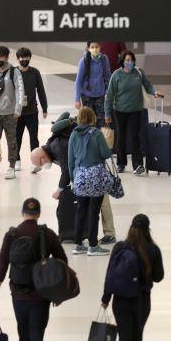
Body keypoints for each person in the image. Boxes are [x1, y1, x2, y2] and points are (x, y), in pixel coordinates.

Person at [0, 198, 67, 341]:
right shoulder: (47, 234)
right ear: (39, 214)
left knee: (24, 335)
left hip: (18, 293)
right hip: (41, 295)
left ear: (22, 212)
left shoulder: (12, 235)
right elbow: (62, 261)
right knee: (37, 335)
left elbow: (2, 265)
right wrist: (56, 289)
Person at [100, 214, 164, 341]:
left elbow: (110, 274)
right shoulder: (153, 249)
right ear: (147, 229)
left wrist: (106, 298)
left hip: (120, 300)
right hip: (142, 300)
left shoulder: (120, 247)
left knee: (124, 336)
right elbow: (159, 277)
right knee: (137, 335)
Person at [30, 113, 117, 245]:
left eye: (41, 163)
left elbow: (66, 169)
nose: (43, 166)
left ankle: (110, 234)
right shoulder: (51, 146)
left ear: (43, 157)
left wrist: (59, 189)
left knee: (103, 200)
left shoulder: (57, 147)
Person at [105, 50, 162, 175]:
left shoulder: (139, 73)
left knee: (135, 136)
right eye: (127, 60)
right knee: (121, 137)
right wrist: (107, 114)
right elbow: (109, 96)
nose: (130, 62)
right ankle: (121, 164)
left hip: (135, 110)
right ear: (122, 61)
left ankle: (138, 164)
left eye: (131, 60)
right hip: (120, 111)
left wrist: (154, 92)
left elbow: (148, 85)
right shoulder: (116, 75)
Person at [68, 107, 111, 256]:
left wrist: (73, 178)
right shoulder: (97, 133)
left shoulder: (73, 134)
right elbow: (106, 153)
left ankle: (77, 244)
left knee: (80, 211)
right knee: (94, 211)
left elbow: (70, 160)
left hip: (79, 176)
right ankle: (93, 246)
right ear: (92, 117)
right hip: (95, 177)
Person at [0, 45, 25, 180]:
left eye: (0, 56)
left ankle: (11, 166)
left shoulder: (14, 72)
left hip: (10, 113)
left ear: (7, 57)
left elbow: (20, 90)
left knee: (11, 141)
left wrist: (18, 109)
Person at [14, 47, 48, 174]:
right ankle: (16, 160)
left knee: (34, 138)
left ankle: (35, 162)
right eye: (22, 58)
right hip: (17, 113)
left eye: (27, 58)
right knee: (17, 137)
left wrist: (44, 108)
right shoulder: (14, 73)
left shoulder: (35, 72)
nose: (25, 60)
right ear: (18, 59)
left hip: (32, 112)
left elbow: (41, 90)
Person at [74, 42, 111, 128]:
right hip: (87, 96)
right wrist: (77, 99)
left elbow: (108, 77)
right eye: (92, 47)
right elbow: (78, 80)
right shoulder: (84, 61)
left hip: (100, 95)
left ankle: (98, 140)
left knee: (101, 122)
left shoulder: (104, 59)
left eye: (97, 47)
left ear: (100, 47)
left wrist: (111, 92)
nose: (95, 49)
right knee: (88, 122)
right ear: (89, 48)